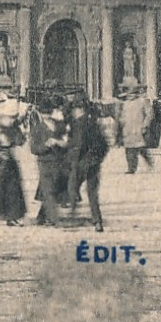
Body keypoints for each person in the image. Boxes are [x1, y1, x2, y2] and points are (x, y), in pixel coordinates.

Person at [65, 94, 110, 232]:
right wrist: (97, 159)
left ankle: (72, 217)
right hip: (93, 164)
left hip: (80, 164)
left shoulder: (78, 124)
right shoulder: (93, 123)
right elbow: (104, 145)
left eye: (75, 109)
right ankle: (97, 221)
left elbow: (77, 145)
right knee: (92, 194)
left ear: (79, 109)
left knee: (72, 189)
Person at [29, 96, 70, 225]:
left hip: (58, 161)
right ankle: (52, 219)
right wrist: (46, 145)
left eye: (49, 111)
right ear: (40, 113)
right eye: (44, 112)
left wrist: (59, 142)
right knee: (48, 189)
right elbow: (34, 149)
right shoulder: (37, 129)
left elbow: (67, 142)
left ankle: (41, 216)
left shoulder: (59, 125)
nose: (47, 114)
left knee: (54, 189)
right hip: (44, 161)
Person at [120, 89, 154, 173]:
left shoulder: (142, 101)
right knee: (129, 149)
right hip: (128, 129)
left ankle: (149, 162)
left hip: (139, 128)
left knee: (141, 148)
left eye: (131, 93)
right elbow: (122, 116)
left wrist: (145, 125)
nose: (129, 95)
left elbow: (149, 114)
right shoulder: (125, 103)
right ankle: (131, 168)